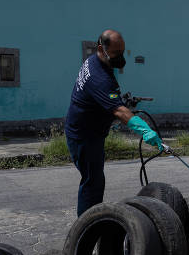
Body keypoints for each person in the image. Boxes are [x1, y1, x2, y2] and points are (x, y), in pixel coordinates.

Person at [64, 29, 163, 216]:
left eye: (122, 52)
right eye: (117, 54)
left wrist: (119, 102)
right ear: (101, 48)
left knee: (94, 179)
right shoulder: (98, 77)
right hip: (84, 136)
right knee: (92, 182)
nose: (121, 58)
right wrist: (144, 129)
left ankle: (89, 222)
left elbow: (108, 101)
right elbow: (117, 110)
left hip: (89, 131)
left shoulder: (95, 61)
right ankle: (86, 228)